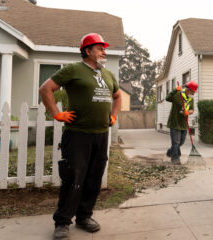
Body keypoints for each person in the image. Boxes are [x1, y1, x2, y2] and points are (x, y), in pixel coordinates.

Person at [39, 33, 122, 239]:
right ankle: (62, 222)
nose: (104, 52)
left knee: (94, 178)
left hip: (101, 135)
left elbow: (118, 95)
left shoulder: (108, 74)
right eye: (100, 48)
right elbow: (45, 89)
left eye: (104, 48)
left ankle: (84, 217)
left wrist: (113, 115)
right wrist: (56, 113)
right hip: (77, 135)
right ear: (87, 51)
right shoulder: (73, 69)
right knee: (73, 178)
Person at [166, 81, 198, 165]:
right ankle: (175, 158)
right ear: (188, 89)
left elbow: (192, 109)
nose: (194, 93)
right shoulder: (177, 95)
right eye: (193, 91)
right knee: (176, 142)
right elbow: (167, 98)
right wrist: (175, 90)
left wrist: (188, 112)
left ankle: (170, 151)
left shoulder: (190, 99)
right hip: (175, 122)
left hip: (184, 124)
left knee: (181, 142)